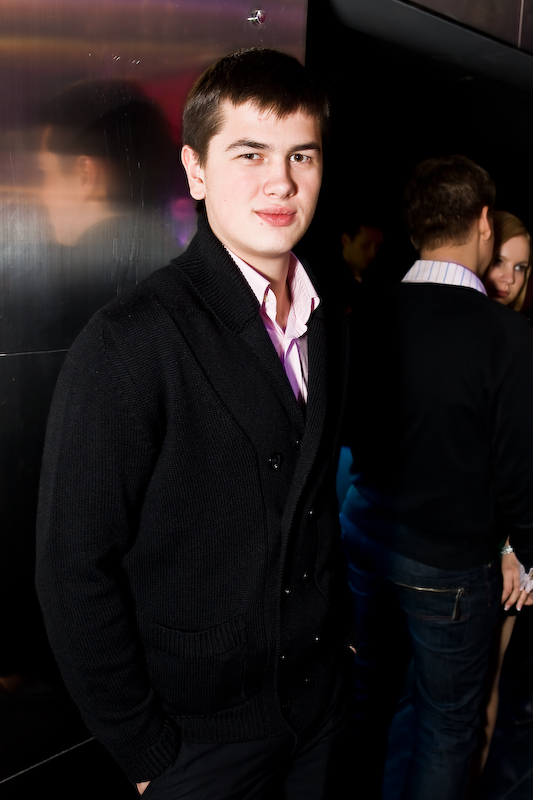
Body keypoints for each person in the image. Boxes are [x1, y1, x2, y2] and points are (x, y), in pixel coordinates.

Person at [35, 47, 353, 799]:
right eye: (250, 153)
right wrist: (144, 751)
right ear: (196, 170)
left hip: (320, 710)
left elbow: (311, 504)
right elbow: (72, 570)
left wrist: (337, 642)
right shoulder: (130, 342)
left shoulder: (330, 319)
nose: (281, 182)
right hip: (199, 742)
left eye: (301, 155)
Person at [341, 155, 533, 800]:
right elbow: (519, 472)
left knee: (366, 701)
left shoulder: (364, 311)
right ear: (483, 222)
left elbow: (345, 427)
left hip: (365, 536)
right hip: (447, 566)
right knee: (447, 729)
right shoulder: (504, 335)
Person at [473, 210, 533, 775]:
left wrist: (515, 548)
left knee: (488, 682)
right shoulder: (462, 331)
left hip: (507, 547)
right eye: (500, 263)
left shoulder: (521, 342)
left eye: (521, 268)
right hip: (451, 549)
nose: (507, 279)